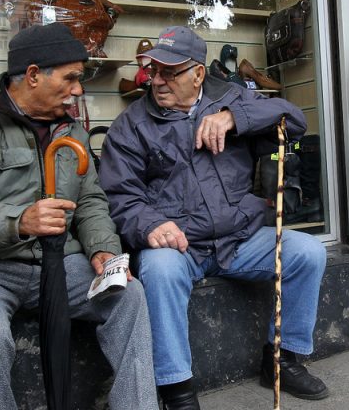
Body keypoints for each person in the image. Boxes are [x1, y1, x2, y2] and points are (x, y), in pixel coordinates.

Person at [0, 23, 157, 409]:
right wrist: (19, 221)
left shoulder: (71, 129)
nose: (78, 90)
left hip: (59, 261)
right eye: (71, 79)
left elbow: (91, 202)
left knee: (129, 296)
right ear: (33, 75)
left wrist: (102, 250)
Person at [98, 26, 328, 409]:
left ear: (198, 74)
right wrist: (151, 224)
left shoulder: (232, 97)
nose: (157, 80)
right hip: (181, 244)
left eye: (169, 72)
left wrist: (236, 117)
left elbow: (293, 120)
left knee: (307, 252)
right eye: (153, 70)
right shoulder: (132, 125)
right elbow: (120, 196)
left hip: (238, 238)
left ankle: (281, 361)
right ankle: (177, 390)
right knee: (159, 271)